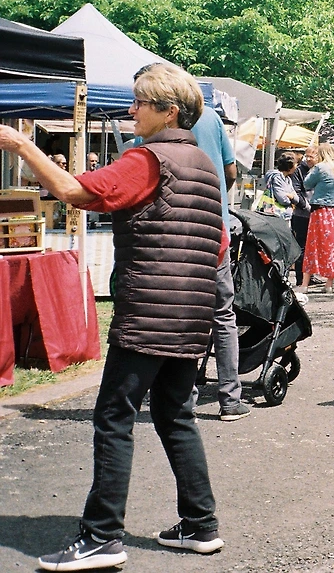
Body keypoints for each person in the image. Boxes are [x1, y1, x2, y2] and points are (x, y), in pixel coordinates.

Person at [0, 64, 227, 569]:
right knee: (175, 414)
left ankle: (102, 536)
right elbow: (218, 246)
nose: (131, 110)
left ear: (169, 111)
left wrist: (22, 146)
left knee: (113, 417)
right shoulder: (204, 165)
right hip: (193, 312)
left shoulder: (147, 160)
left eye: (140, 102)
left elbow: (74, 192)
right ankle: (200, 524)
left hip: (148, 310)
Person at [187, 88, 250, 422]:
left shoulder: (156, 122)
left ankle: (184, 399)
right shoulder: (211, 117)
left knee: (186, 316)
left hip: (177, 230)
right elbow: (231, 171)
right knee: (223, 315)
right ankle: (230, 398)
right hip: (215, 226)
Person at [300, 143, 334, 294]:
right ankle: (329, 284)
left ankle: (305, 285)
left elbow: (306, 184)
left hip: (321, 211)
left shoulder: (319, 168)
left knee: (313, 246)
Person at [289, 146, 314, 287]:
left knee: (313, 247)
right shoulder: (299, 171)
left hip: (316, 214)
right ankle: (300, 278)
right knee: (301, 247)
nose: (308, 159)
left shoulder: (319, 170)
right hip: (302, 214)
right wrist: (306, 206)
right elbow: (296, 191)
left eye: (311, 156)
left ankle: (310, 276)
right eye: (307, 156)